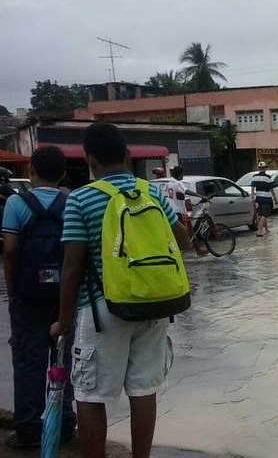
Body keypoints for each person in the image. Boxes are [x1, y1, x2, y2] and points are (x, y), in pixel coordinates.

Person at [49, 122, 190, 458]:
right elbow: (181, 241)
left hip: (101, 311)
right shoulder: (152, 192)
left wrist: (63, 321)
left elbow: (72, 266)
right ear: (127, 156)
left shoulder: (81, 199)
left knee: (90, 395)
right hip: (153, 307)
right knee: (143, 391)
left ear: (89, 160)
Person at [2, 146, 76, 449]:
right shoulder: (71, 202)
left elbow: (9, 251)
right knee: (64, 362)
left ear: (30, 171)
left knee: (28, 363)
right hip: (65, 297)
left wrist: (14, 292)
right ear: (62, 174)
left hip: (28, 297)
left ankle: (29, 430)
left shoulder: (16, 204)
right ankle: (64, 426)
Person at [168, 166, 209, 255]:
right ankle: (179, 250)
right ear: (180, 174)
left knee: (191, 231)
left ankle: (198, 250)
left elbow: (178, 197)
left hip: (175, 210)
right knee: (184, 232)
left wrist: (189, 204)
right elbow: (187, 191)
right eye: (182, 174)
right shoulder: (178, 183)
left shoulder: (170, 183)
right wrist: (202, 196)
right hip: (179, 212)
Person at [250, 162, 275, 235]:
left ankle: (267, 229)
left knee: (262, 214)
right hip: (266, 198)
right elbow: (271, 189)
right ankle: (259, 231)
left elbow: (252, 188)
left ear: (259, 168)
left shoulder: (254, 177)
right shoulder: (268, 177)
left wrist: (252, 198)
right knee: (265, 215)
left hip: (258, 198)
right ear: (265, 168)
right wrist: (275, 199)